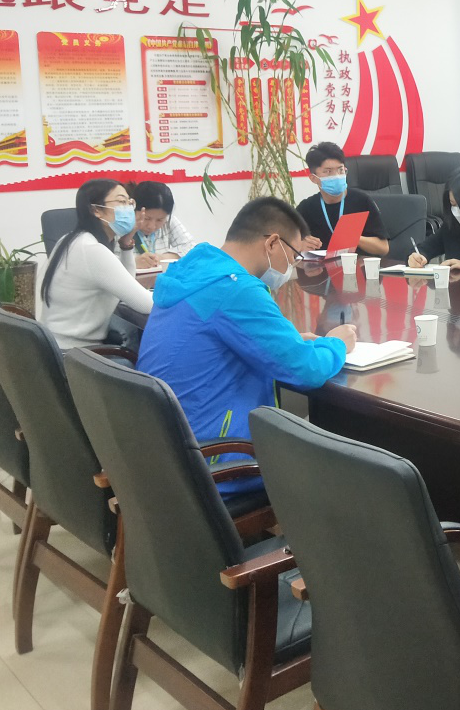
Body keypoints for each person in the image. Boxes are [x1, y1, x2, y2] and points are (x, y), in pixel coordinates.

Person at [138, 196, 356, 494]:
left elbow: (221, 334)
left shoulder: (195, 269)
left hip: (168, 448)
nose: (292, 267)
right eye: (293, 256)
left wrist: (291, 340)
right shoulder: (234, 288)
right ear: (272, 243)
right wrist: (337, 344)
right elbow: (306, 370)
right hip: (218, 462)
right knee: (343, 465)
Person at [38, 179, 153, 349]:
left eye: (130, 202)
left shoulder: (71, 240)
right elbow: (147, 305)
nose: (129, 209)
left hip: (54, 347)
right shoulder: (91, 251)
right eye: (121, 202)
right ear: (96, 210)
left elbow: (125, 288)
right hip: (75, 353)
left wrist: (126, 244)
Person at [296, 142, 389, 257]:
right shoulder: (306, 208)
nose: (337, 176)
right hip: (320, 267)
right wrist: (299, 245)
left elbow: (383, 248)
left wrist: (355, 238)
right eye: (328, 171)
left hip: (357, 265)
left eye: (340, 170)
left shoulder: (362, 201)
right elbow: (285, 244)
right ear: (313, 178)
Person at [118, 180, 196, 269]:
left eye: (159, 220)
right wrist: (132, 262)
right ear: (133, 209)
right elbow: (108, 260)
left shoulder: (168, 220)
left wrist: (163, 257)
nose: (151, 226)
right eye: (146, 218)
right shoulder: (121, 224)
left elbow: (191, 246)